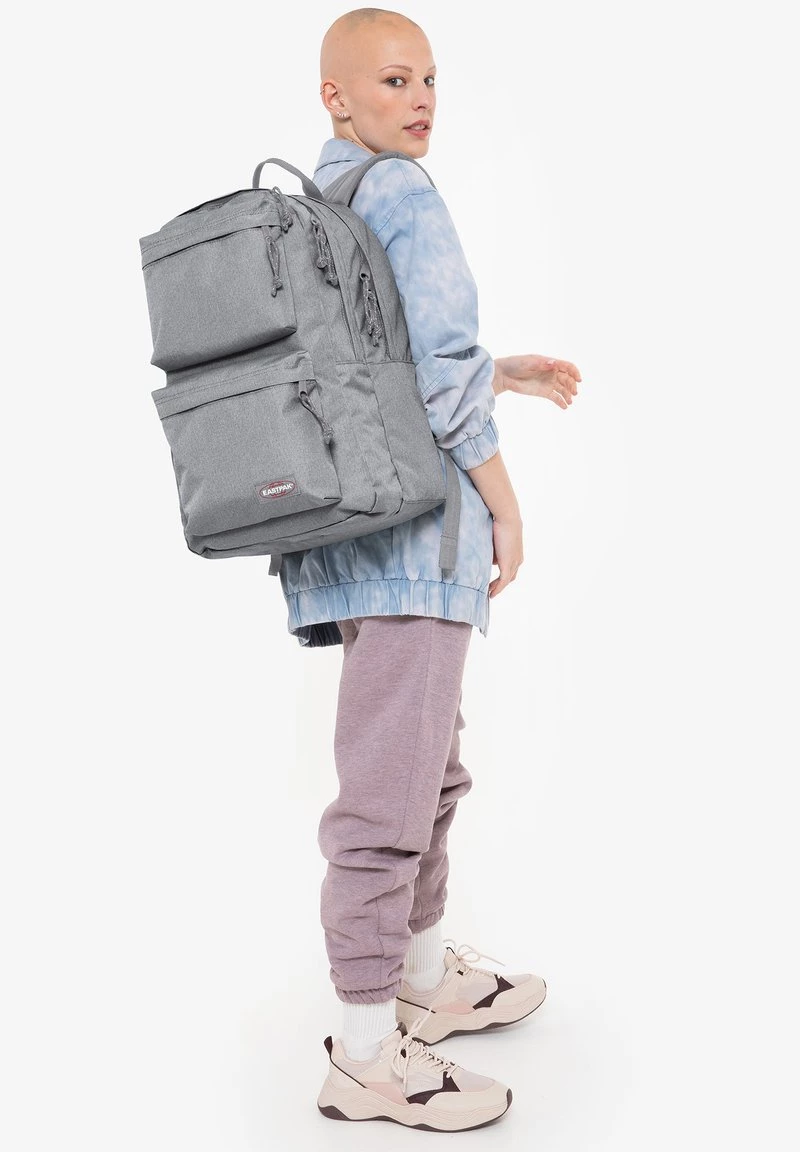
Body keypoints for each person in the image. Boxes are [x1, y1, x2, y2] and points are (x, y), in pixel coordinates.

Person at [282, 8, 582, 1131]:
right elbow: (440, 373)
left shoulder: (320, 204)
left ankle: (416, 975)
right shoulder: (401, 192)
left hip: (348, 537)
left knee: (422, 771)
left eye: (429, 81)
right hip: (418, 546)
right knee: (390, 799)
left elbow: (382, 363)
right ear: (336, 96)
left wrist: (499, 371)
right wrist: (505, 504)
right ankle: (366, 1053)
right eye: (393, 80)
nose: (419, 101)